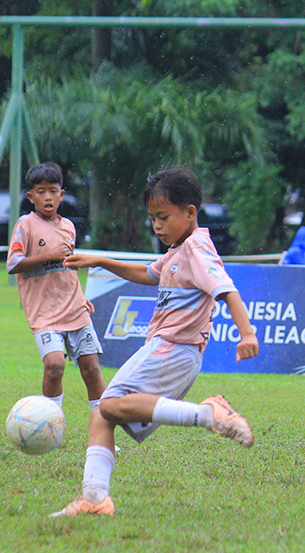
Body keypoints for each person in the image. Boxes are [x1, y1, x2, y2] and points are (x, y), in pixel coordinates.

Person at [50, 166, 259, 517]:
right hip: (166, 349)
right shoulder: (179, 249)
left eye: (163, 217)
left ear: (189, 212)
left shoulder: (196, 249)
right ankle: (95, 498)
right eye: (152, 219)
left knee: (109, 404)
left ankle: (207, 414)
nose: (156, 226)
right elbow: (149, 273)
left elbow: (226, 289)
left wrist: (247, 333)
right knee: (102, 414)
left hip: (173, 348)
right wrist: (100, 260)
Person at [7, 162, 106, 420]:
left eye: (52, 191)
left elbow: (67, 268)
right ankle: (51, 423)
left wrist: (81, 296)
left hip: (75, 309)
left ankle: (103, 426)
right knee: (54, 365)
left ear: (61, 194)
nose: (47, 197)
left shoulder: (68, 227)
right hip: (45, 314)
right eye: (41, 192)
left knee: (91, 368)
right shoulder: (25, 224)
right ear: (30, 197)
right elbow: (13, 264)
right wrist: (48, 255)